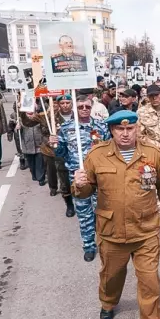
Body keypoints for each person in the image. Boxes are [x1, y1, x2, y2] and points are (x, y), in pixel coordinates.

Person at [73, 110, 160, 319]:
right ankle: (108, 303)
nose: (125, 133)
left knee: (149, 282)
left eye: (129, 128)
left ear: (137, 128)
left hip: (146, 231)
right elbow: (85, 191)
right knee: (111, 276)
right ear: (111, 131)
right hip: (112, 233)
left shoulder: (152, 155)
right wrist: (78, 185)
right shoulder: (96, 155)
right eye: (119, 129)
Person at [56, 95, 111, 261]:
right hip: (79, 177)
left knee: (102, 212)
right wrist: (54, 144)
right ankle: (88, 245)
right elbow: (61, 153)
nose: (84, 110)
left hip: (99, 177)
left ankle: (105, 243)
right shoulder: (66, 128)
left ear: (91, 106)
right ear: (75, 108)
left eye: (87, 106)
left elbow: (109, 150)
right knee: (84, 213)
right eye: (80, 107)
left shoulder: (101, 126)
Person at [21, 96, 72, 202]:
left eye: (68, 102)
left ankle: (67, 192)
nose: (65, 105)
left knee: (65, 173)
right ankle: (53, 187)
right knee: (51, 170)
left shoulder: (76, 116)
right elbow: (28, 122)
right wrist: (24, 110)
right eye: (62, 103)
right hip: (50, 149)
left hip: (69, 150)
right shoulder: (47, 116)